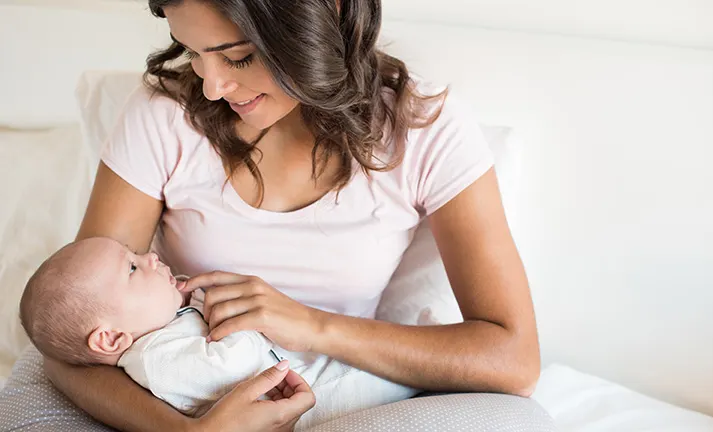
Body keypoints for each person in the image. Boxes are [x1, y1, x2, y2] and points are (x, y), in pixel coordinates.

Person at [43, 0, 541, 430]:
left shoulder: (425, 131)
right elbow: (73, 339)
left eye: (237, 57)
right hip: (183, 397)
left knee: (523, 424)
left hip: (344, 392)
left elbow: (513, 359)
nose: (212, 87)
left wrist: (309, 325)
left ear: (324, 17)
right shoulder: (165, 115)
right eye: (193, 53)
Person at [20, 237, 413, 429]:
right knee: (393, 384)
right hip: (321, 397)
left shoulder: (164, 331)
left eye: (135, 253)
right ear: (109, 338)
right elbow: (232, 364)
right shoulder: (157, 360)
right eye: (134, 268)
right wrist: (216, 312)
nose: (151, 256)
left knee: (398, 372)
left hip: (315, 374)